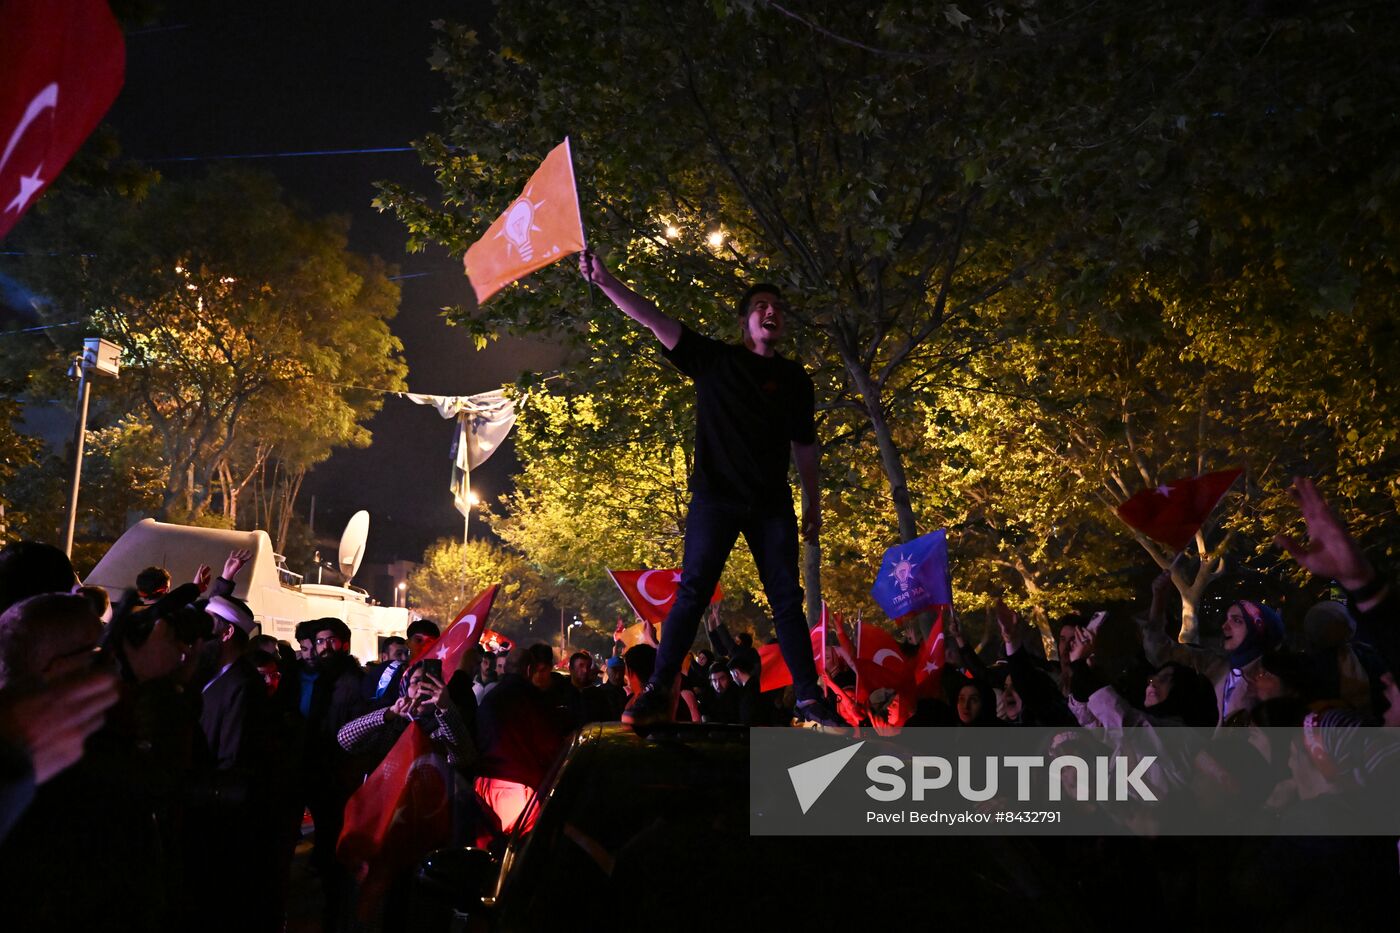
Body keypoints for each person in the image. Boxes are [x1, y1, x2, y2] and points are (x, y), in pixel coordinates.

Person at [580, 250, 838, 726]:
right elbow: (654, 319)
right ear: (744, 322)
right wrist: (607, 281)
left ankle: (807, 694)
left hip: (770, 505)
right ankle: (658, 688)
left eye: (777, 307)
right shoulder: (716, 360)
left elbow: (805, 445)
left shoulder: (794, 379)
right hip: (716, 499)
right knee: (693, 591)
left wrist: (813, 503)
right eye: (760, 306)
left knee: (787, 599)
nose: (771, 311)